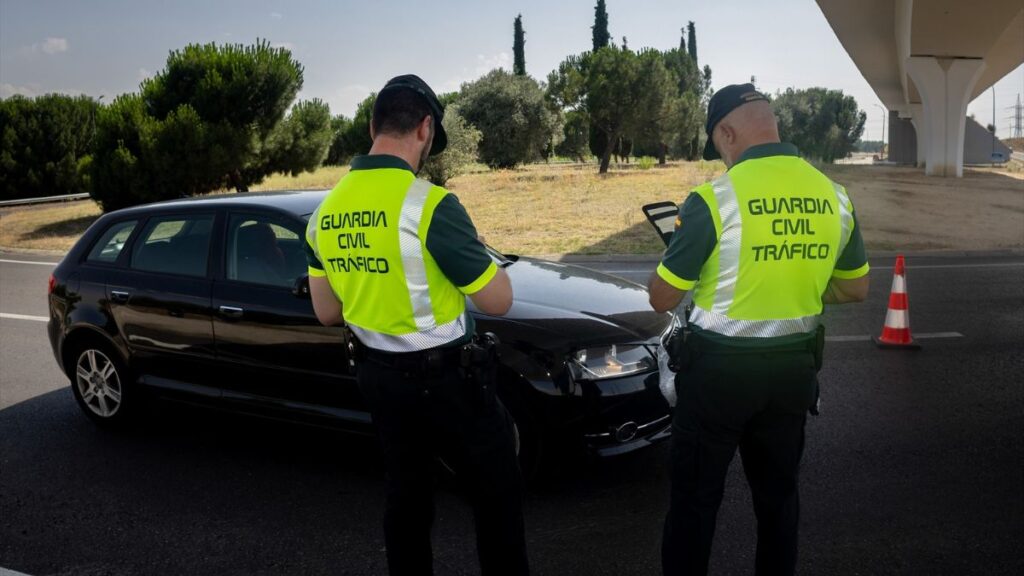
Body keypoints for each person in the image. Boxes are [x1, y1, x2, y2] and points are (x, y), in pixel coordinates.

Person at [304, 74, 529, 576]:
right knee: (497, 494)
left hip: (379, 380)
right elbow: (498, 300)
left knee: (406, 500)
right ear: (425, 128)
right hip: (449, 382)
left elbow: (326, 312)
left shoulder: (324, 213)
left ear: (372, 126)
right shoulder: (429, 204)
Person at [649, 83, 870, 576]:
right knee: (778, 503)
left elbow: (662, 296)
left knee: (695, 506)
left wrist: (691, 261)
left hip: (717, 376)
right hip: (793, 373)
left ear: (727, 132)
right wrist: (794, 279)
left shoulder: (713, 199)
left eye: (717, 145)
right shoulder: (833, 196)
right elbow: (855, 289)